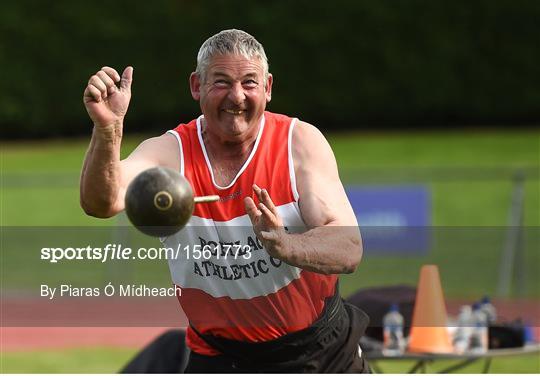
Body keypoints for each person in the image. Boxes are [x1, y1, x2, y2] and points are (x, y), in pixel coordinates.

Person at [80, 29, 369, 373]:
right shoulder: (172, 153)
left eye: (249, 82)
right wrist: (108, 129)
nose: (237, 97)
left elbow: (348, 246)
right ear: (196, 86)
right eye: (221, 82)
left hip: (317, 354)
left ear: (268, 88)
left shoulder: (299, 143)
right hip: (220, 357)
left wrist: (286, 245)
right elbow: (102, 202)